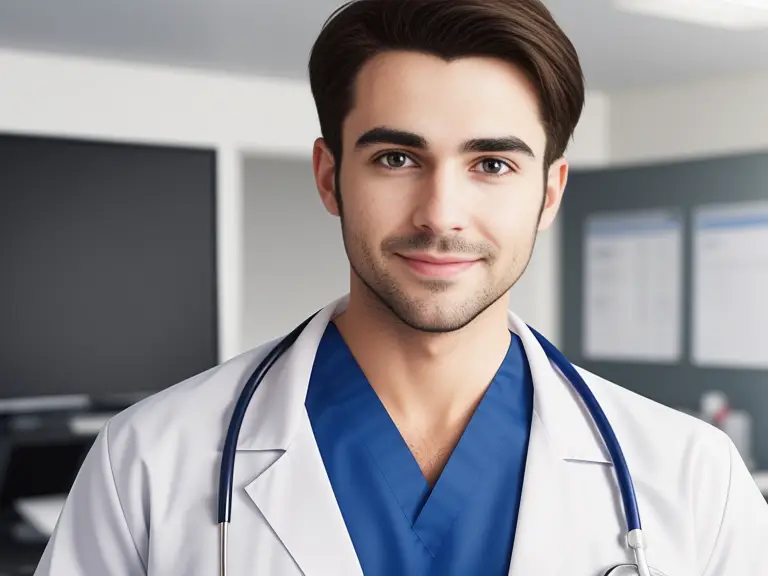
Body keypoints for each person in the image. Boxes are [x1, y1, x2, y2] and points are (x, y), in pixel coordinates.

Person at [36, 0, 768, 574]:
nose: (441, 214)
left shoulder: (691, 478)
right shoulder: (150, 462)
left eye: (492, 165)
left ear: (549, 193)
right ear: (330, 176)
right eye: (395, 158)